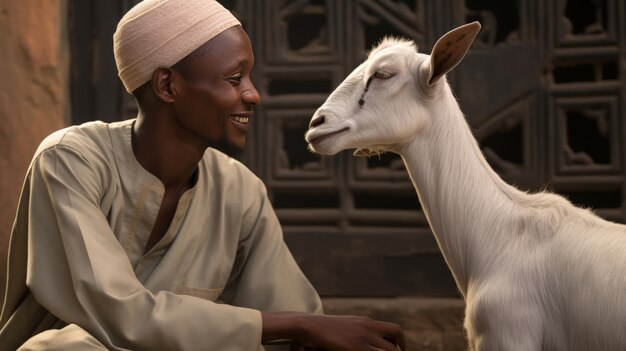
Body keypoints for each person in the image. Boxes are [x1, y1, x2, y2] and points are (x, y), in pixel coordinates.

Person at [0, 0, 405, 350]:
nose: (253, 94)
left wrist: (311, 333)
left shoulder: (239, 191)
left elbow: (290, 318)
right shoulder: (70, 161)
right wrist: (299, 324)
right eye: (234, 78)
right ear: (167, 86)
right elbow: (119, 314)